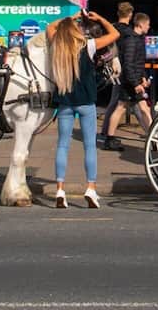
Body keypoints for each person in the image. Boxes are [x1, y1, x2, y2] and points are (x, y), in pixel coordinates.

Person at [48, 12, 119, 209]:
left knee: (62, 145)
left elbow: (50, 28)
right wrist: (100, 19)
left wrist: (71, 16)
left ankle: (60, 189)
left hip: (65, 103)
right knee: (89, 146)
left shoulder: (57, 47)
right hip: (87, 102)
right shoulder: (87, 46)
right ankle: (91, 188)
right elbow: (114, 34)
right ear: (75, 31)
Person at [103, 7, 153, 147]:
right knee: (124, 108)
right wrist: (135, 83)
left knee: (138, 108)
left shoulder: (136, 39)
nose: (149, 27)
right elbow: (128, 64)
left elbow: (138, 62)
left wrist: (142, 77)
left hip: (133, 80)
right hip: (130, 82)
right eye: (147, 24)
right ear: (141, 24)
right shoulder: (131, 40)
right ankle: (110, 138)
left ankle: (110, 138)